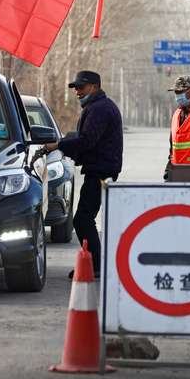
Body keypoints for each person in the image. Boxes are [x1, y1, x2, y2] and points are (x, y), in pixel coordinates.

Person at [44, 70, 122, 278]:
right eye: (76, 88)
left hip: (101, 172)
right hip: (101, 170)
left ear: (95, 87)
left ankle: (94, 265)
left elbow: (88, 140)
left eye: (81, 87)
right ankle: (96, 263)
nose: (77, 91)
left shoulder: (99, 109)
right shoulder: (98, 107)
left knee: (82, 219)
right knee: (86, 218)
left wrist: (58, 145)